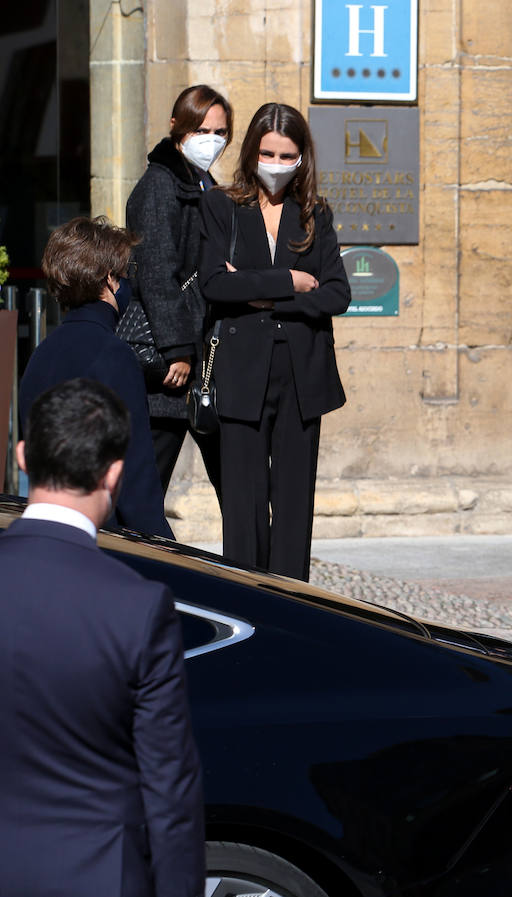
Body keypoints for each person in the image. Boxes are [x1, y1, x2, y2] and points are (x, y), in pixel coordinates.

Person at [0, 378, 204, 897]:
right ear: (114, 472)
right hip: (96, 876)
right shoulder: (137, 605)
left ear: (23, 456)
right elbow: (169, 791)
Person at [199, 102, 349, 581]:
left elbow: (337, 293)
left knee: (293, 505)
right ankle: (247, 601)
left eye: (288, 156)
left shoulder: (314, 213)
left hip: (302, 375)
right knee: (243, 507)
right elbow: (214, 285)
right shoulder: (222, 205)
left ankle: (292, 605)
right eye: (269, 153)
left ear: (302, 157)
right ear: (251, 152)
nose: (277, 165)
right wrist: (288, 280)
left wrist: (263, 294)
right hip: (242, 372)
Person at [19, 216, 174, 538]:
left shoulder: (41, 354)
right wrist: (164, 547)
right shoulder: (113, 354)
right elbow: (136, 474)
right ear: (109, 280)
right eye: (125, 274)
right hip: (106, 540)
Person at [125, 84, 232, 499]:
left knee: (235, 482)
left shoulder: (204, 184)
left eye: (220, 132)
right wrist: (178, 350)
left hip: (207, 358)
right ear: (176, 126)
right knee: (147, 486)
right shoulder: (160, 185)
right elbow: (155, 272)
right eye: (200, 129)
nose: (211, 140)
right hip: (175, 366)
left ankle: (248, 560)